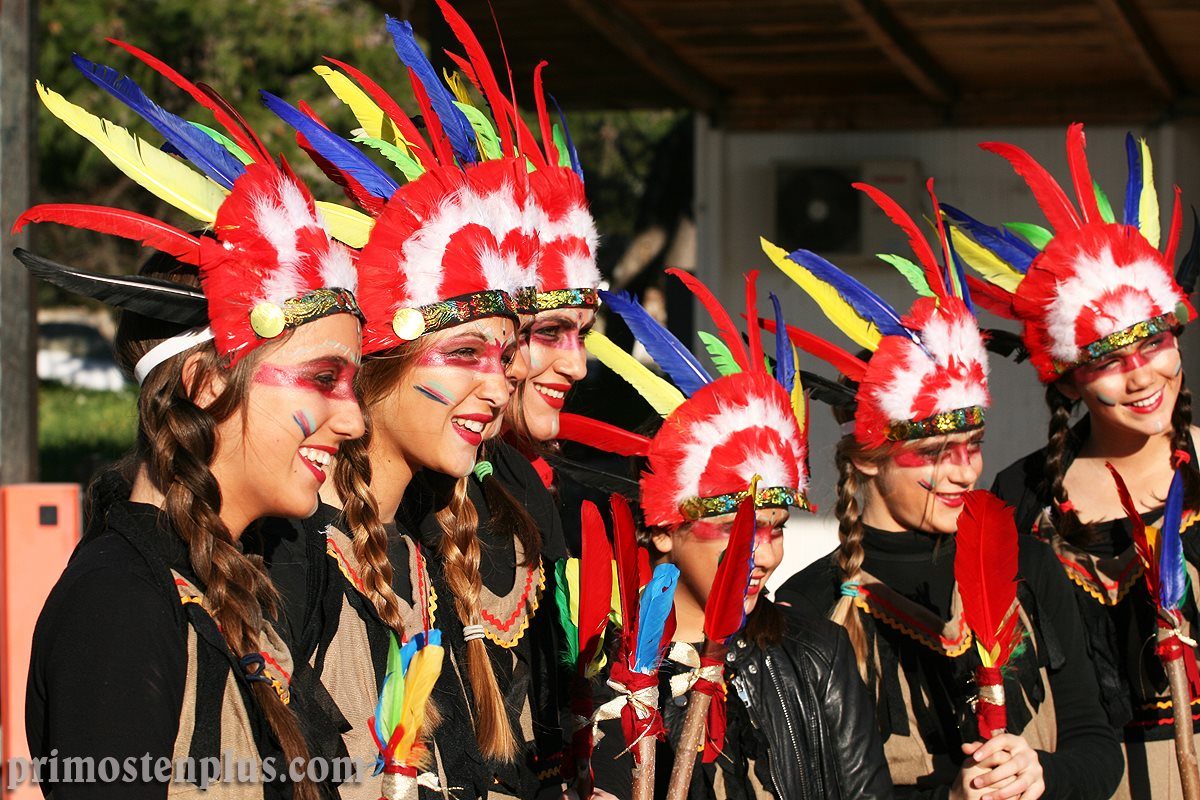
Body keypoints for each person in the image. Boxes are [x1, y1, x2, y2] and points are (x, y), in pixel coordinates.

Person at [18, 67, 369, 799]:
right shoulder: (120, 605)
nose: (353, 419)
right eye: (322, 377)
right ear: (206, 383)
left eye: (354, 384)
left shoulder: (250, 575)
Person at [280, 14, 571, 795]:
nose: (499, 385)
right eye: (466, 353)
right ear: (381, 362)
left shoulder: (433, 547)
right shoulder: (290, 558)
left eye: (503, 357)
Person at [768, 178, 1123, 800]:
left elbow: (1097, 746)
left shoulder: (1027, 564)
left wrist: (1042, 773)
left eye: (973, 445)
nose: (965, 472)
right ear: (868, 460)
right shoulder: (808, 602)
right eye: (934, 453)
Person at [557, 272, 893, 800]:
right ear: (663, 529)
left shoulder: (817, 656)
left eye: (777, 530)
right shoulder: (594, 667)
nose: (763, 555)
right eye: (737, 532)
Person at [949, 124, 1200, 799]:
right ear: (1068, 381)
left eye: (1152, 343)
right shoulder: (1022, 497)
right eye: (1109, 360)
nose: (1141, 377)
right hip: (1082, 780)